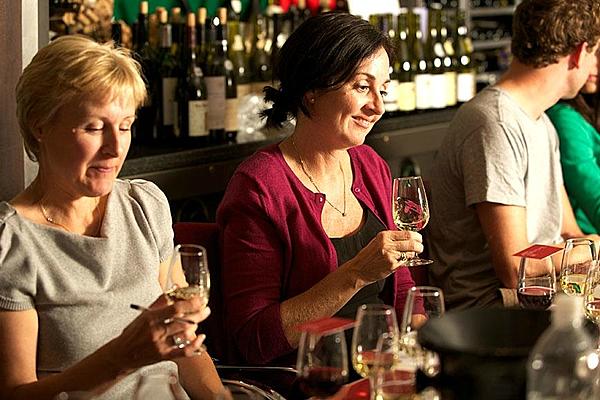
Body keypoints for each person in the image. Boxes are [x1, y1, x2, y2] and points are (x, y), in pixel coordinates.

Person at [0, 35, 224, 399]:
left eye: (125, 126)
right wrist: (123, 357)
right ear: (40, 125)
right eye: (94, 127)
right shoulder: (11, 244)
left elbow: (186, 345)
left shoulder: (144, 205)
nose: (116, 148)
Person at [216, 12, 424, 367]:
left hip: (383, 370)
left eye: (383, 89)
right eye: (362, 87)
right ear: (312, 90)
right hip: (310, 381)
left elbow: (403, 287)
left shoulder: (370, 164)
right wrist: (355, 274)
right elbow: (254, 338)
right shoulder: (259, 186)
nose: (378, 107)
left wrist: (418, 343)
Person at [428, 0, 600, 310]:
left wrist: (587, 248)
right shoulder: (494, 123)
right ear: (578, 53)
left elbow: (570, 233)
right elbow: (515, 267)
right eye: (595, 53)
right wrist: (593, 248)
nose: (595, 65)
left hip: (543, 299)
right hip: (492, 313)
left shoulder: (541, 121)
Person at [547, 51, 600, 234]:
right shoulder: (565, 116)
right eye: (591, 52)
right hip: (585, 238)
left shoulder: (593, 108)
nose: (593, 64)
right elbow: (589, 187)